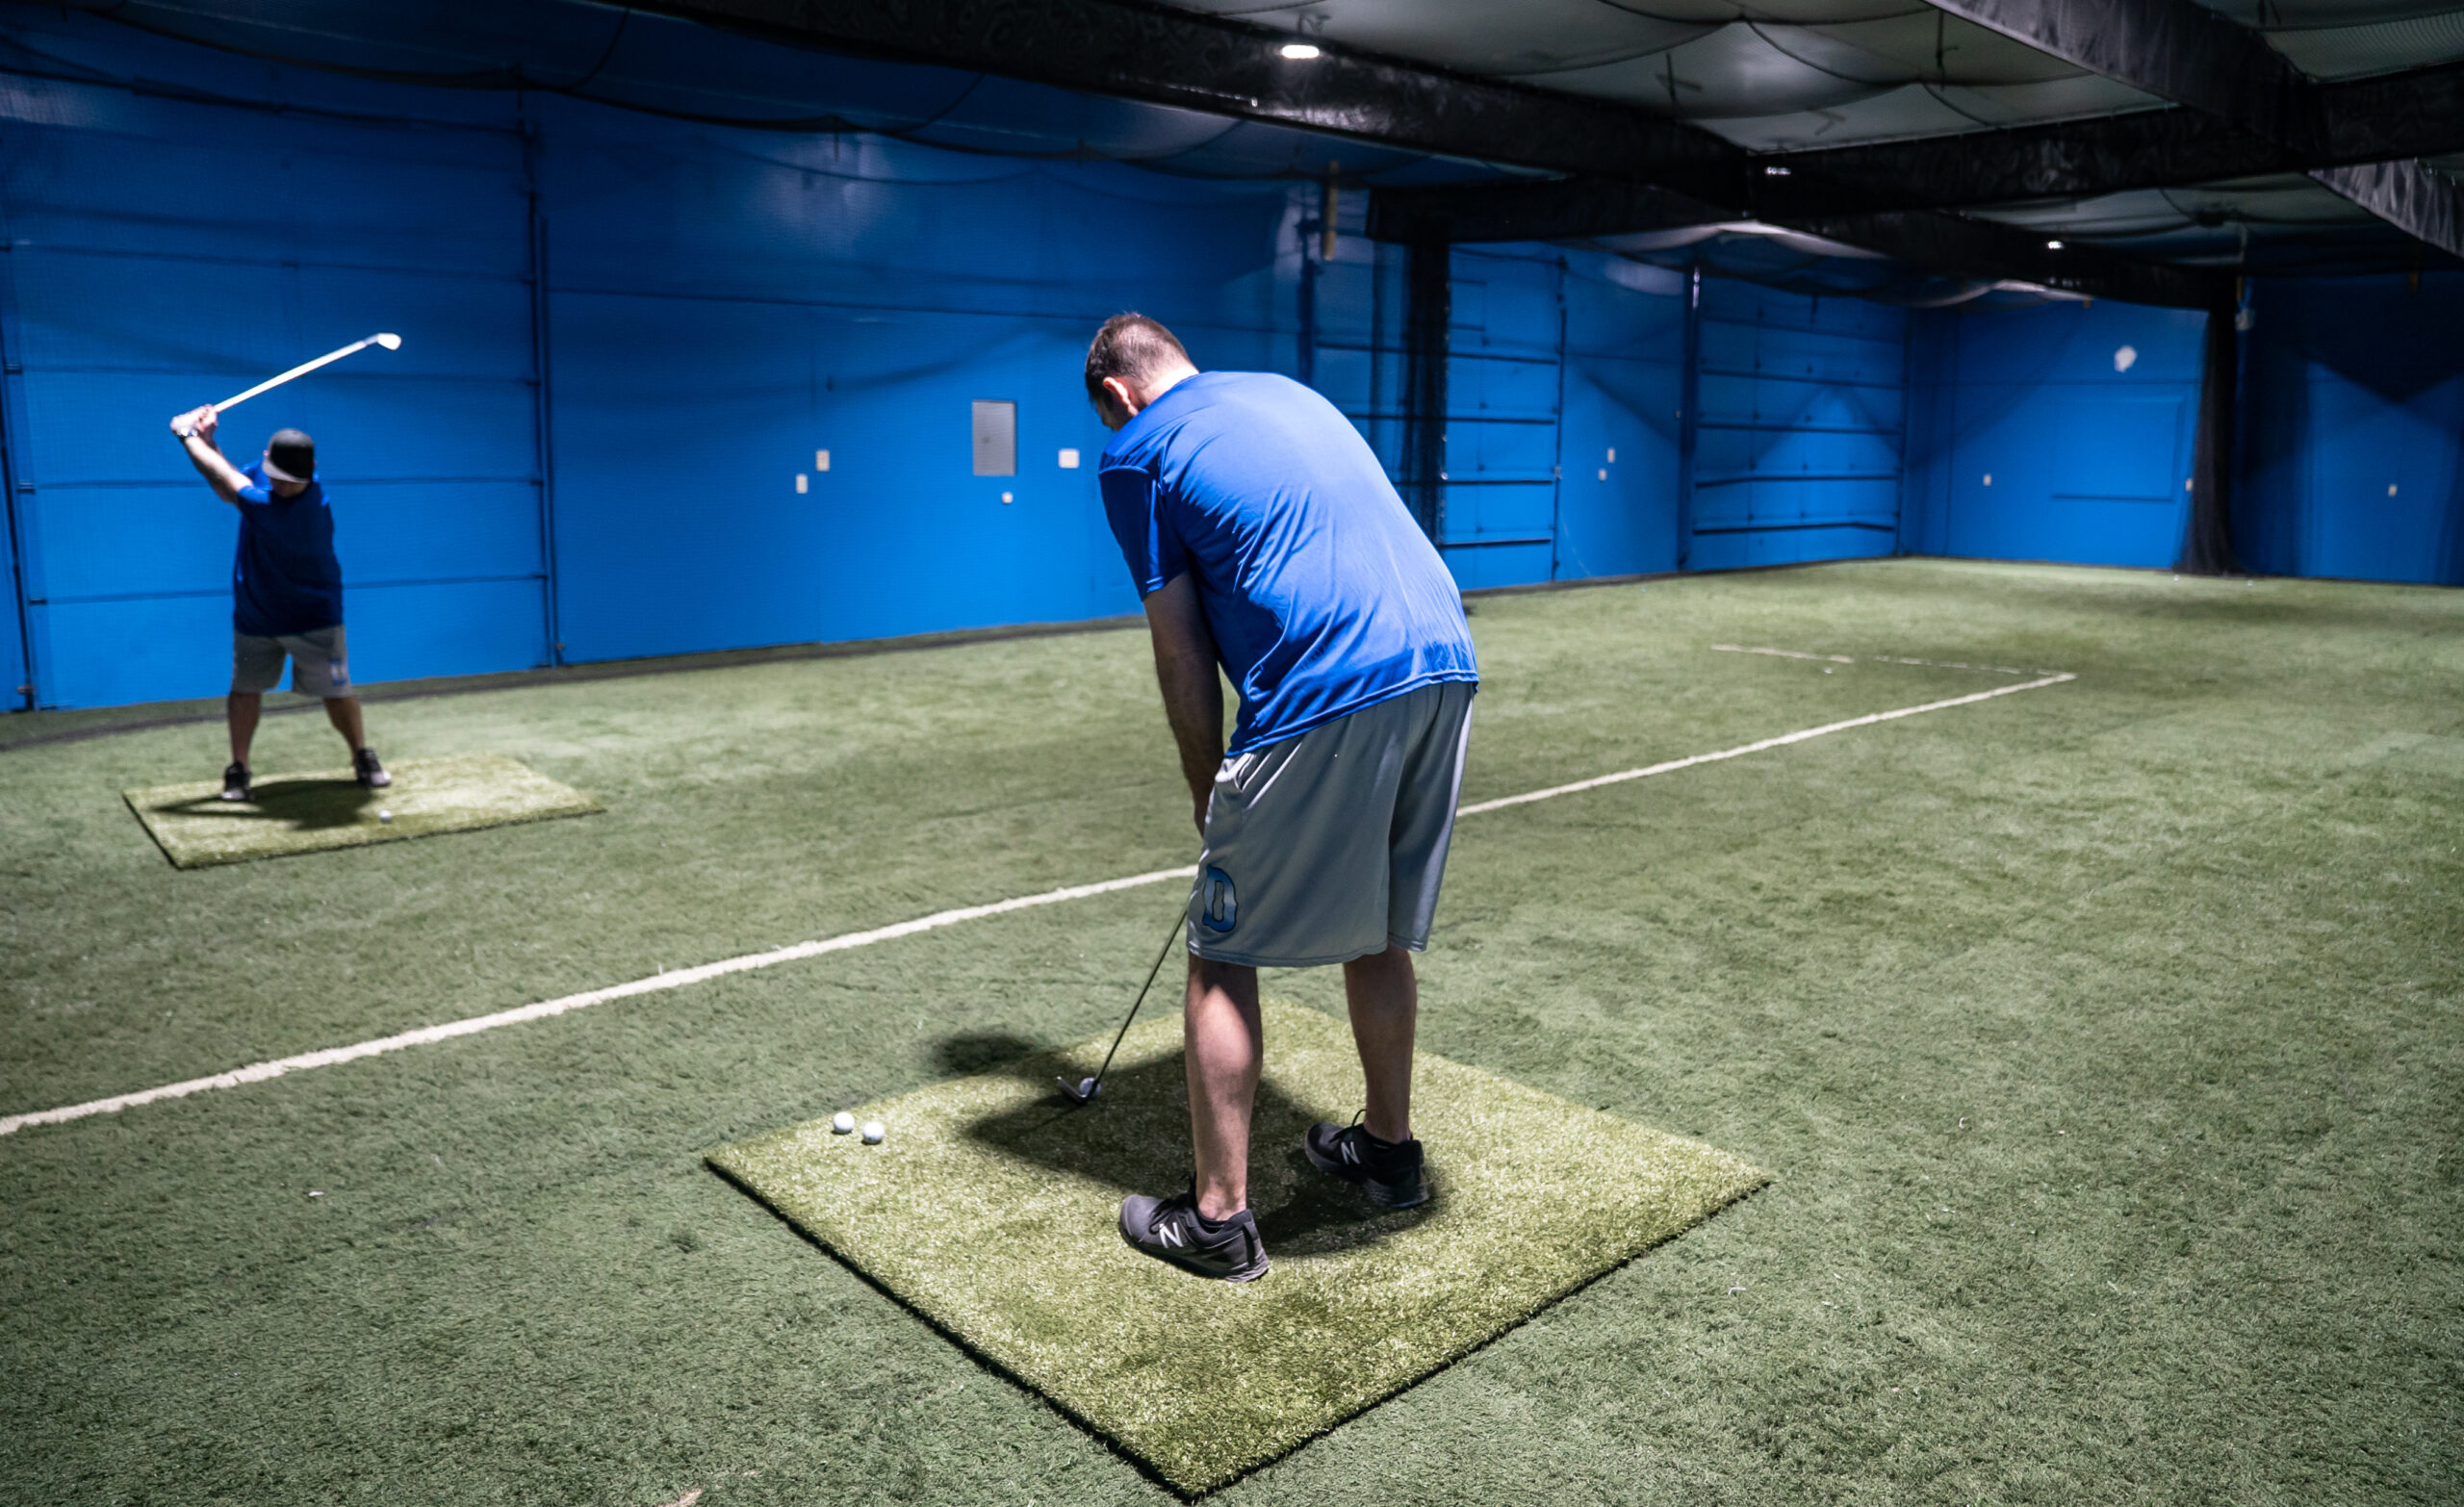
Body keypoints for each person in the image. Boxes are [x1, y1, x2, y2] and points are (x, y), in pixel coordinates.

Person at [1089, 313, 1479, 1283]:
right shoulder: (1285, 391)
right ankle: (1387, 1153)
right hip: (1444, 660)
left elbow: (1178, 644)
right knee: (1377, 927)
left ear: (1116, 395)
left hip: (1325, 685)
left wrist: (1203, 784)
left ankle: (1217, 1222)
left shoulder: (1136, 449)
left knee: (1221, 952)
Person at [168, 406, 388, 800]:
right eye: (276, 478)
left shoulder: (300, 509)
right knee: (245, 689)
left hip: (314, 616)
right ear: (267, 460)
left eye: (292, 482)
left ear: (311, 470)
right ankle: (239, 768)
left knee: (337, 692)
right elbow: (225, 486)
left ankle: (361, 754)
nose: (283, 486)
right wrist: (209, 441)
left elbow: (231, 484)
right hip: (257, 614)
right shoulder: (270, 475)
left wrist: (186, 436)